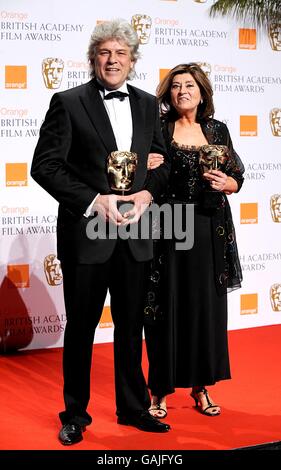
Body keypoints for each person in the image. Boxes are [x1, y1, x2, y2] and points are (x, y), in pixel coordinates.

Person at [31, 19, 170, 446]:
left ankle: (132, 407)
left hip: (137, 233)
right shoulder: (68, 102)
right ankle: (75, 413)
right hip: (88, 232)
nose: (113, 60)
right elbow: (45, 166)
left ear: (132, 60)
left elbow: (162, 163)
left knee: (132, 326)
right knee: (82, 328)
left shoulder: (149, 105)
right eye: (105, 53)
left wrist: (147, 195)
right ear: (94, 59)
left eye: (121, 53)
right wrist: (96, 200)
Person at [144, 63, 244, 419]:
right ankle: (159, 391)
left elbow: (237, 177)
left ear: (202, 92)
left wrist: (228, 184)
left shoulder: (218, 130)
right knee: (164, 308)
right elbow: (144, 177)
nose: (182, 91)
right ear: (168, 95)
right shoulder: (159, 127)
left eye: (189, 85)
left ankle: (201, 387)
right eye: (175, 87)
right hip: (169, 227)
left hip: (210, 229)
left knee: (205, 309)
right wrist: (147, 164)